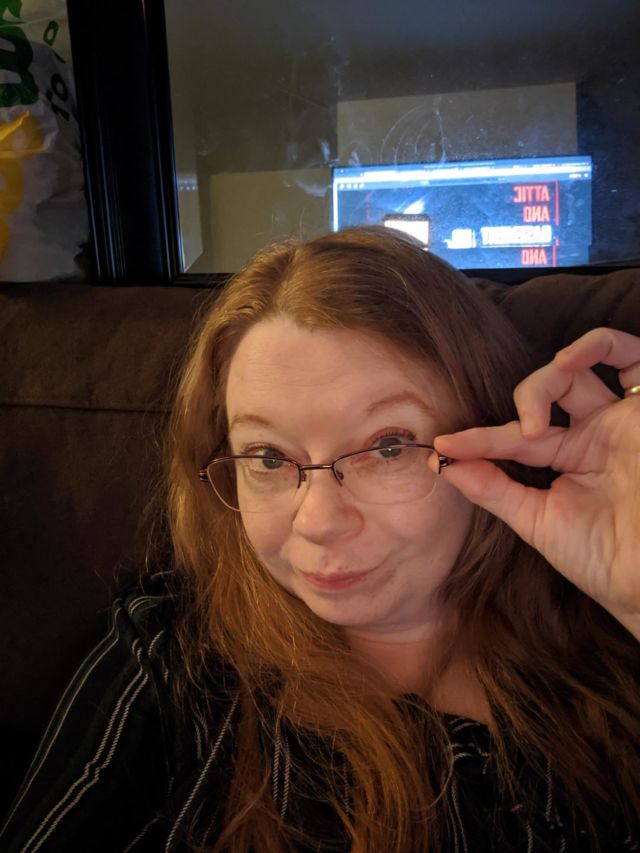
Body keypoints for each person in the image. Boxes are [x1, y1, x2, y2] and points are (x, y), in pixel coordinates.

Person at [2, 227, 639, 852]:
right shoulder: (169, 655)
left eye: (387, 447)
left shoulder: (610, 649)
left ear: (495, 433)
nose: (318, 521)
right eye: (268, 457)